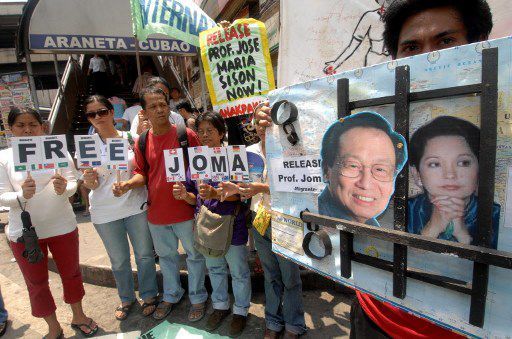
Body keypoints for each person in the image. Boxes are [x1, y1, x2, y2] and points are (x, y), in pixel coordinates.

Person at [255, 1, 494, 337]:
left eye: (445, 41)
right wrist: (274, 138)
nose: (428, 58)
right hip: (374, 317)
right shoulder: (367, 113)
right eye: (411, 46)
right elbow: (305, 176)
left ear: (481, 42)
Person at [0, 107, 98, 339]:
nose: (27, 131)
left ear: (42, 127)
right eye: (20, 125)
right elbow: (2, 196)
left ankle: (79, 316)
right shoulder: (4, 157)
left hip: (62, 226)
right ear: (11, 129)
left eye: (32, 125)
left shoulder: (56, 150)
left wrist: (66, 189)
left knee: (72, 273)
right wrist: (21, 196)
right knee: (36, 282)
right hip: (25, 233)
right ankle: (53, 327)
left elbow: (73, 181)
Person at [113, 86, 208, 321]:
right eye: (153, 106)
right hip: (157, 213)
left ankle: (198, 298)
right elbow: (142, 174)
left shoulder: (186, 135)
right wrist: (127, 185)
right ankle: (172, 295)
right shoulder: (143, 141)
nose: (159, 109)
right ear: (144, 112)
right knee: (166, 258)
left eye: (163, 104)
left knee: (195, 257)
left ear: (169, 107)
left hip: (185, 210)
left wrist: (193, 195)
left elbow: (201, 170)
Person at [174, 111, 251, 336]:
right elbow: (192, 196)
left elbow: (244, 193)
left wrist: (217, 194)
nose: (205, 135)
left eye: (210, 130)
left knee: (238, 271)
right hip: (206, 225)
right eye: (201, 131)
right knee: (215, 268)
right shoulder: (196, 160)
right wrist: (183, 195)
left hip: (233, 225)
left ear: (221, 133)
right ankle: (220, 306)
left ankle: (241, 311)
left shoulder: (235, 156)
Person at [81, 95, 158, 320]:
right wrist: (89, 180)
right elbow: (89, 184)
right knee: (119, 260)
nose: (98, 117)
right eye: (92, 114)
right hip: (104, 212)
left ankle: (149, 294)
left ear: (112, 113)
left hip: (135, 206)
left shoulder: (131, 139)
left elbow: (143, 170)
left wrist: (128, 185)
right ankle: (126, 298)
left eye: (102, 111)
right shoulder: (86, 145)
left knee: (144, 255)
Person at [408, 116, 500, 248]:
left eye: (463, 162)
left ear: (480, 169)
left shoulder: (494, 215)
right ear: (417, 175)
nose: (450, 174)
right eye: (435, 164)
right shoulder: (407, 210)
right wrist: (431, 230)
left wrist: (464, 236)